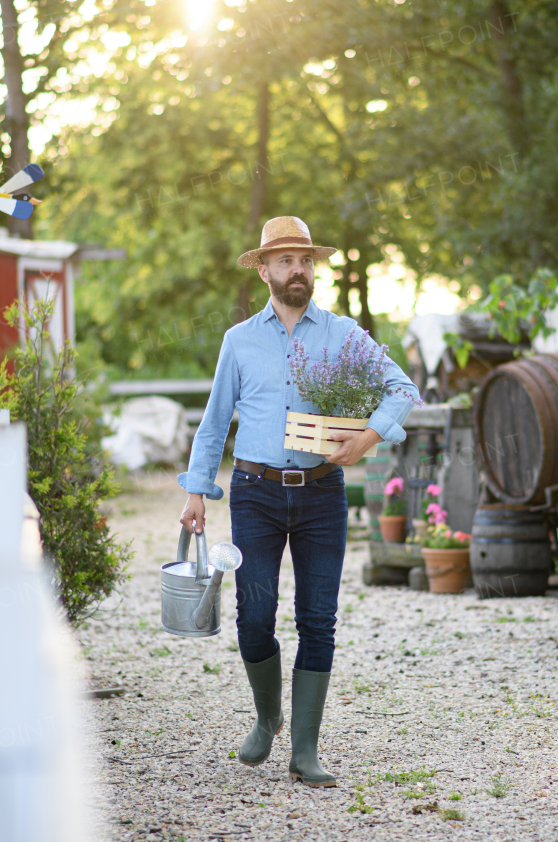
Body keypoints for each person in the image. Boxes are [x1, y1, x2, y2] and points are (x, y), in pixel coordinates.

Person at [178, 216, 417, 787]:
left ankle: (305, 749)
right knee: (254, 617)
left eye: (305, 260)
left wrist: (368, 436)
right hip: (255, 495)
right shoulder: (239, 342)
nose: (298, 270)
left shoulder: (343, 334)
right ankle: (268, 717)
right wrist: (196, 490)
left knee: (318, 620)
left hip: (321, 499)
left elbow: (402, 388)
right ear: (263, 269)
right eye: (285, 261)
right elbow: (214, 425)